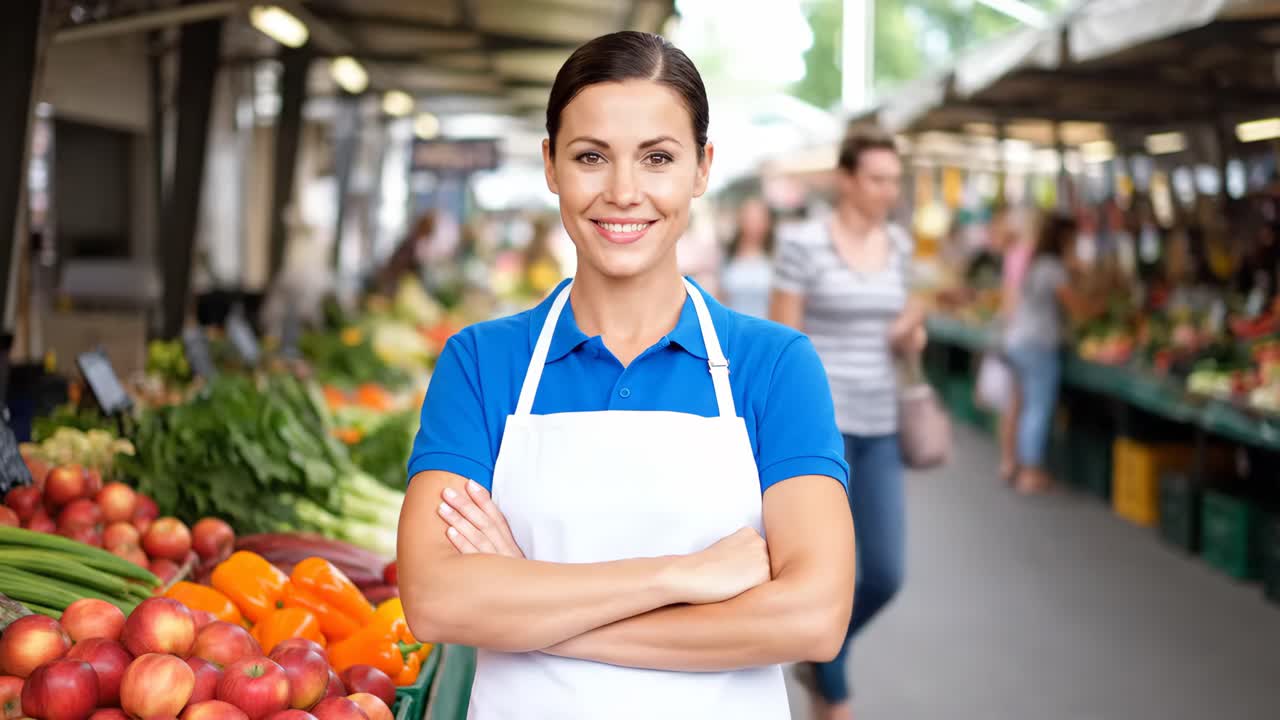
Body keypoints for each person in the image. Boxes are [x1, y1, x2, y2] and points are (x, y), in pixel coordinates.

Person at [397, 31, 855, 720]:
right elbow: (435, 601)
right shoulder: (482, 363)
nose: (622, 192)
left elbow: (814, 617)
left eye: (658, 159)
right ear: (551, 164)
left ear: (701, 168)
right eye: (590, 157)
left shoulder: (775, 367)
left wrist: (527, 600)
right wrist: (684, 577)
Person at [769, 123, 926, 720]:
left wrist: (911, 333)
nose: (889, 190)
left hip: (882, 422)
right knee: (826, 571)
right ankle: (832, 687)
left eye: (894, 179)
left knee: (884, 574)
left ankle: (818, 652)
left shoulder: (901, 246)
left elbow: (906, 327)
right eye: (878, 178)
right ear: (847, 180)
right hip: (819, 434)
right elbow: (784, 341)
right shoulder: (804, 243)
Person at [1004, 213, 1096, 494]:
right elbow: (1076, 307)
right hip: (1037, 344)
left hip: (1019, 339)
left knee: (1019, 404)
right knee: (1038, 407)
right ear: (1065, 238)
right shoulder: (1052, 268)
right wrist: (1100, 305)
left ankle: (1012, 463)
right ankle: (1030, 472)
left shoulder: (1037, 264)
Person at [719, 197, 775, 317]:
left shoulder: (775, 259)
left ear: (767, 223)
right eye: (749, 219)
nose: (753, 225)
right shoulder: (727, 258)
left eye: (758, 219)